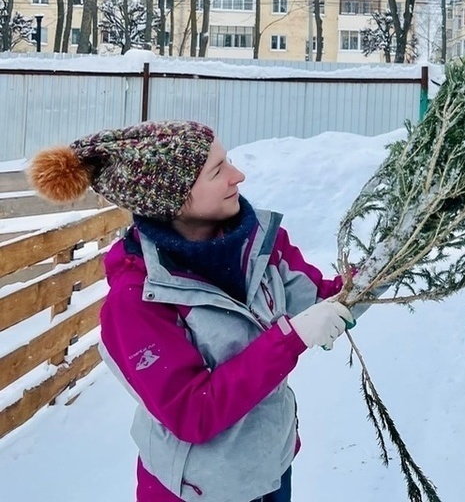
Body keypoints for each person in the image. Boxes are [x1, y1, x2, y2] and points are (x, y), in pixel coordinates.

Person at [27, 120, 354, 502]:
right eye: (218, 170)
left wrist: (397, 256)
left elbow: (326, 303)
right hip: (199, 491)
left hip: (271, 470)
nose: (238, 175)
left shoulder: (260, 246)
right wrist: (290, 340)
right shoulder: (137, 301)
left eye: (227, 161)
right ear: (174, 199)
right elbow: (192, 412)